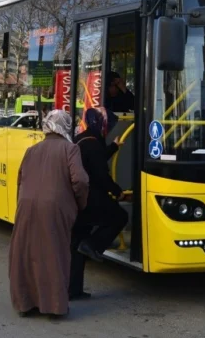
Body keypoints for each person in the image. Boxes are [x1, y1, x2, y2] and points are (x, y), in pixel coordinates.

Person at [8, 110, 90, 318]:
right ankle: (53, 306)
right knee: (54, 253)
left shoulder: (32, 149)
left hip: (26, 206)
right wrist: (79, 203)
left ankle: (26, 304)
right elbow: (80, 180)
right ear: (66, 126)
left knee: (26, 253)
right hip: (55, 207)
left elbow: (21, 178)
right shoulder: (71, 149)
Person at [69, 107, 130, 299]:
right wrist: (118, 192)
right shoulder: (94, 144)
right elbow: (100, 175)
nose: (108, 129)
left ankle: (73, 290)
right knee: (120, 216)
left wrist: (113, 147)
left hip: (76, 200)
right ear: (101, 124)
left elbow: (95, 159)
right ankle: (94, 245)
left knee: (77, 245)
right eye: (108, 125)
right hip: (91, 200)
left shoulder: (81, 140)